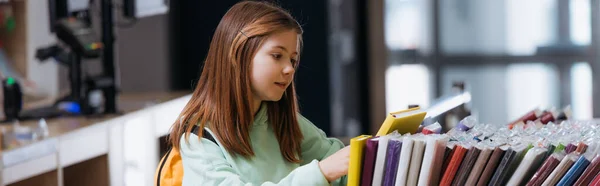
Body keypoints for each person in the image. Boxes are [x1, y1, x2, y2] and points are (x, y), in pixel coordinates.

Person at [168, 1, 350, 185]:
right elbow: (329, 169)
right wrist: (322, 172)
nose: (289, 69)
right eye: (277, 56)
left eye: (293, 60)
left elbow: (342, 170)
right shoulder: (199, 138)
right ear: (239, 55)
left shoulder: (285, 122)